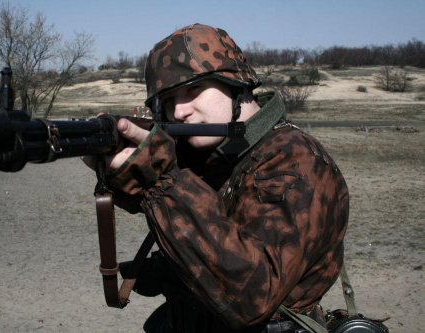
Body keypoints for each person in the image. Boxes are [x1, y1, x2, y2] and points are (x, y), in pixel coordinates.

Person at [83, 23, 349, 333]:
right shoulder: (217, 155)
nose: (180, 112)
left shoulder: (294, 160)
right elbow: (221, 226)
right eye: (168, 101)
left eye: (193, 89)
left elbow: (251, 296)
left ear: (235, 85)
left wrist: (158, 180)